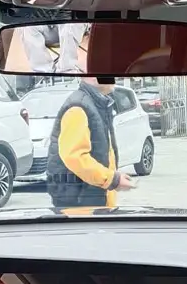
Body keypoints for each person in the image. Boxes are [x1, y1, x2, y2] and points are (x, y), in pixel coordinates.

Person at [46, 77, 135, 209]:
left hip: (89, 196)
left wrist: (113, 179)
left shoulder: (96, 104)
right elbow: (75, 157)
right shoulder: (78, 108)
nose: (114, 76)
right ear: (92, 77)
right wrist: (112, 179)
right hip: (79, 201)